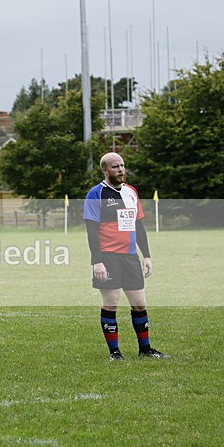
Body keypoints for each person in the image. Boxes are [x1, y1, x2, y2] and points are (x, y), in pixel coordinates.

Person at [83, 152, 168, 361]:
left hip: (130, 257)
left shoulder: (131, 192)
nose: (121, 170)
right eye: (115, 166)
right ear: (105, 170)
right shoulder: (96, 194)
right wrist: (97, 261)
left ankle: (145, 349)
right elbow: (91, 231)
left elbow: (139, 226)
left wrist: (146, 255)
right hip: (108, 257)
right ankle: (115, 353)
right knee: (110, 304)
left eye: (122, 165)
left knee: (139, 304)